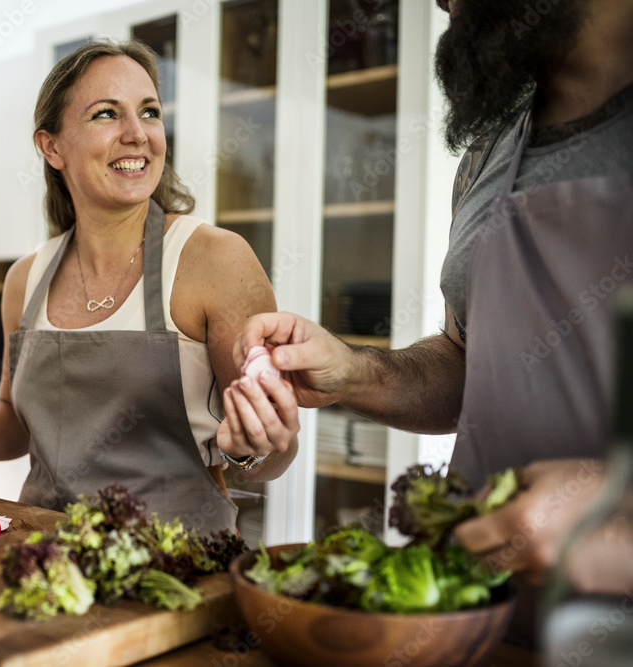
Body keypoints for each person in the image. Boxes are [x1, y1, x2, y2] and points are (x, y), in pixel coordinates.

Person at [235, 0, 633, 645]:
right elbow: (468, 361)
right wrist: (354, 373)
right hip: (480, 628)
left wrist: (616, 514)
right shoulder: (487, 157)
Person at [0, 39, 299, 536]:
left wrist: (253, 450)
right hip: (44, 557)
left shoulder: (214, 260)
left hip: (177, 570)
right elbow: (13, 417)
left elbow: (275, 452)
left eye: (150, 112)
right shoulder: (25, 278)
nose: (137, 134)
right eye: (107, 114)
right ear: (51, 147)